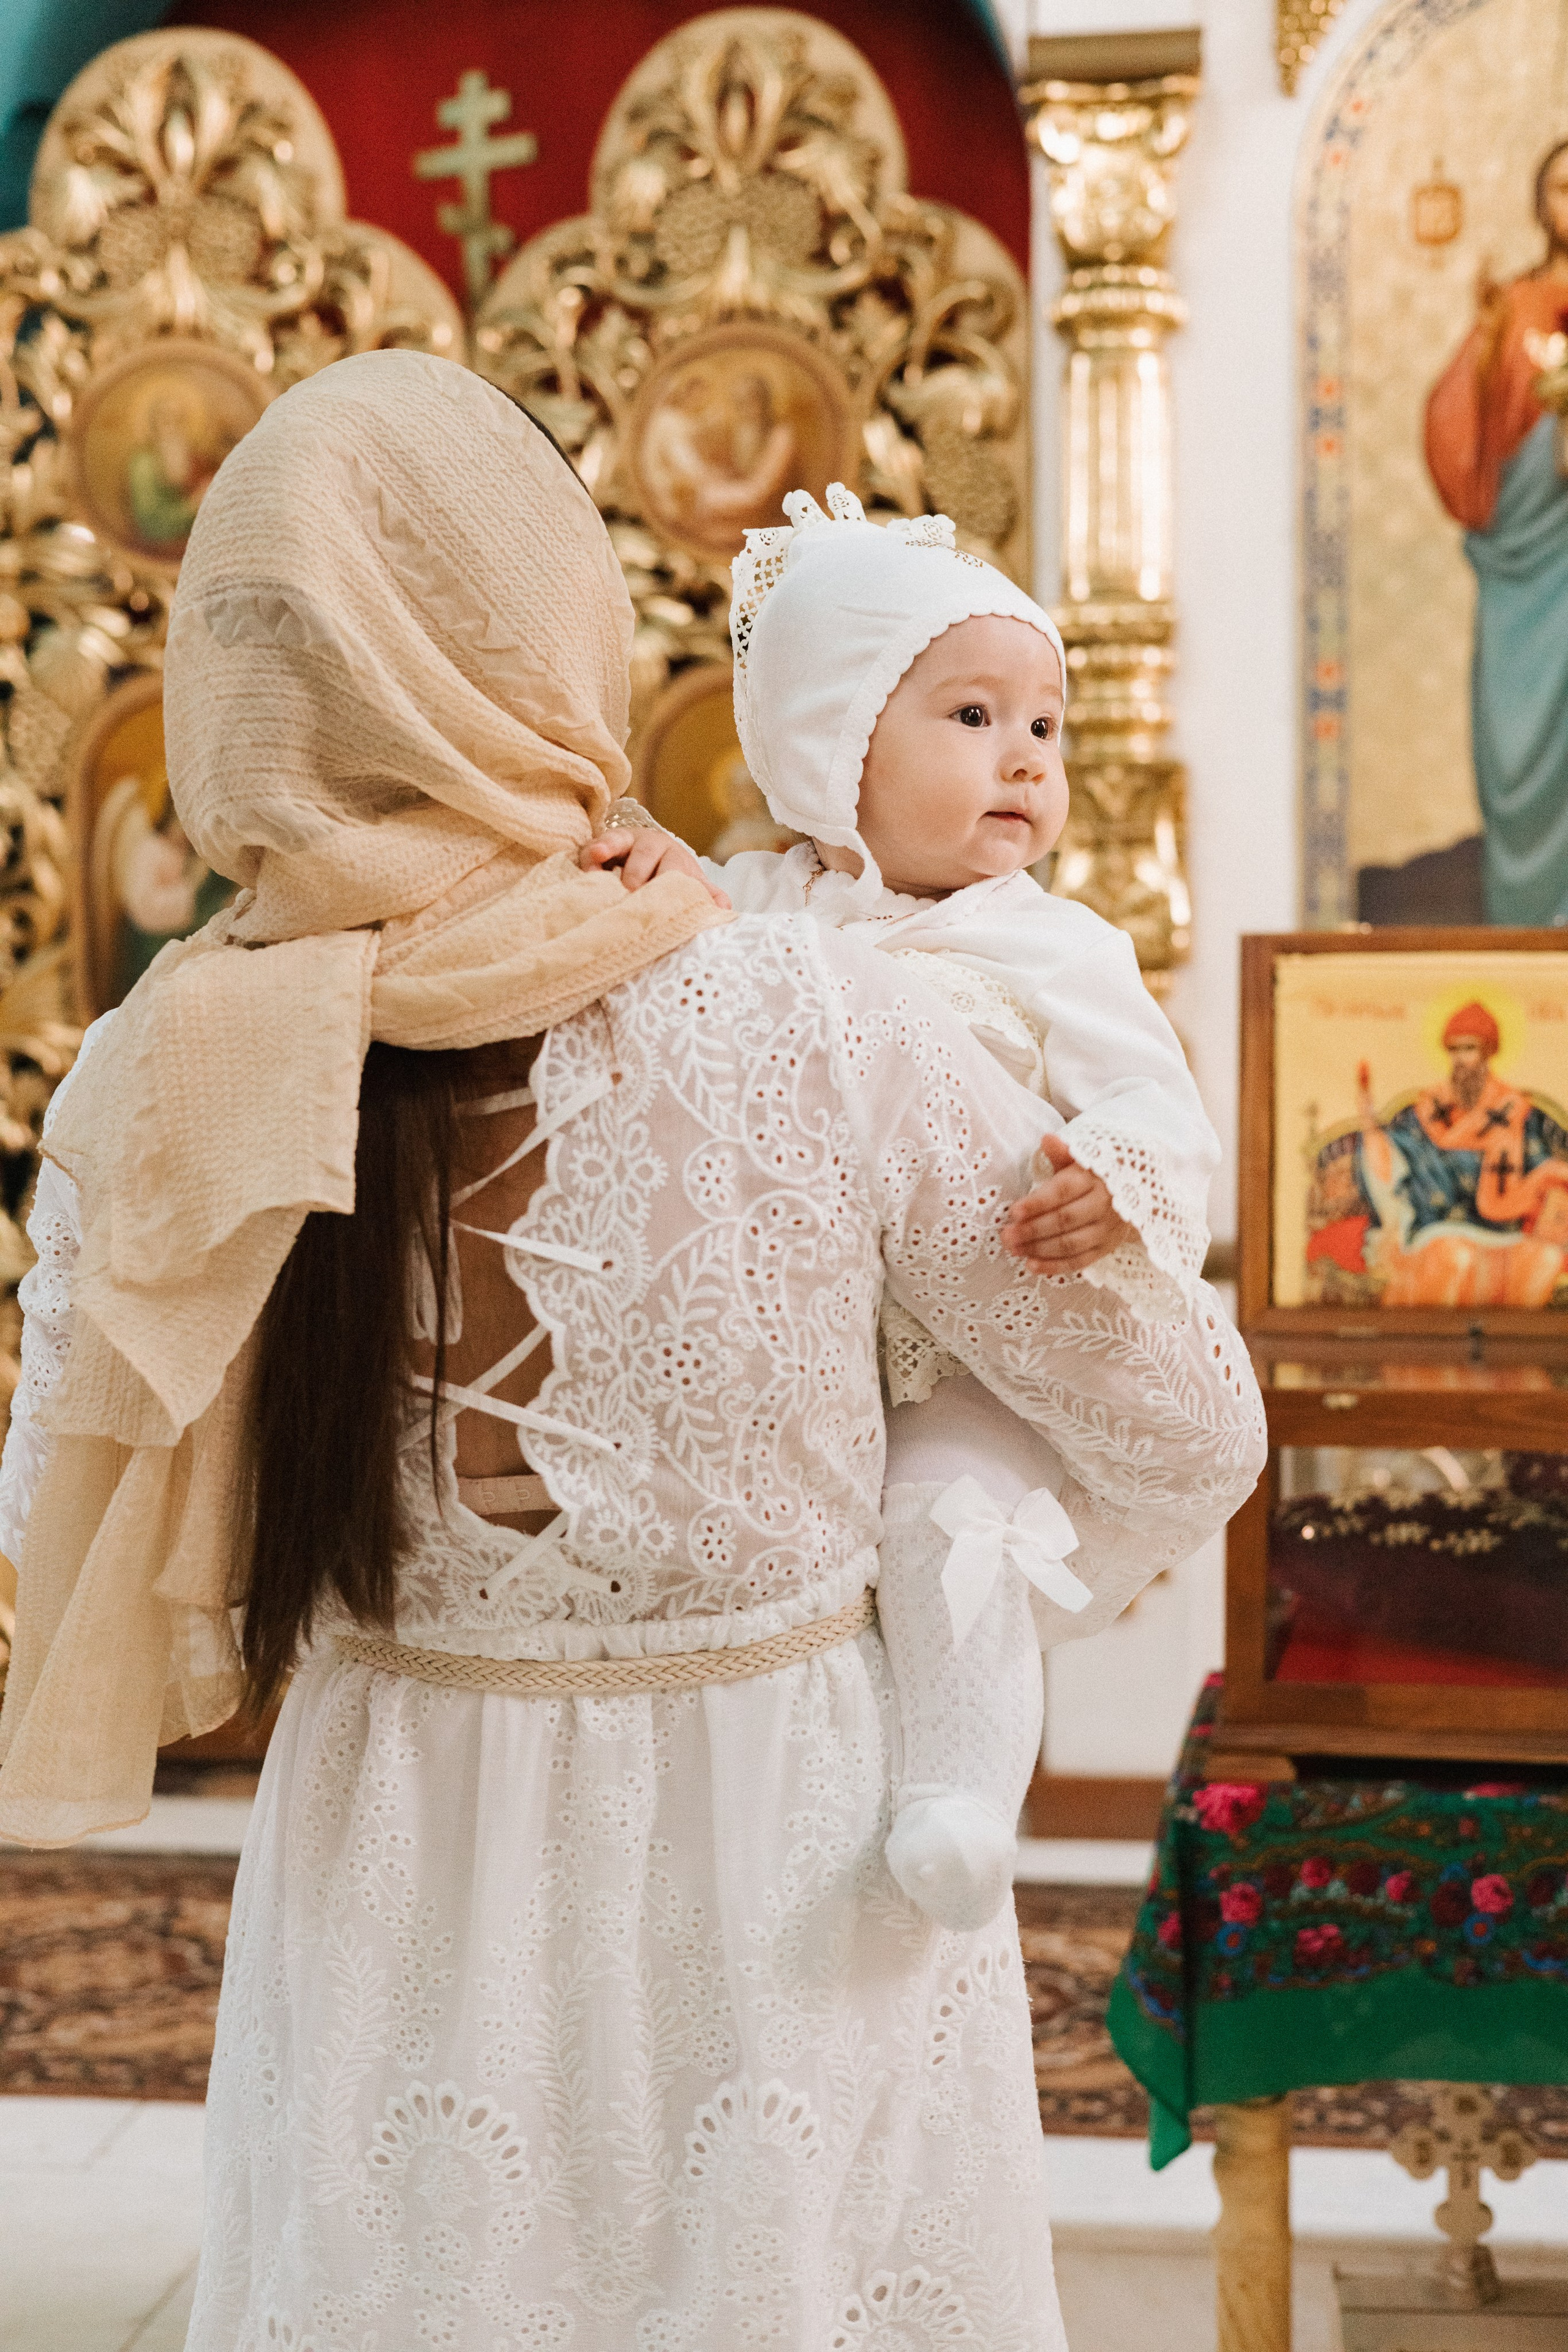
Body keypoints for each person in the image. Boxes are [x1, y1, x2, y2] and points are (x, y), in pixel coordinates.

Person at [0, 356, 1263, 2349]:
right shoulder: (812, 1012)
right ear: (546, 642)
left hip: (395, 1826)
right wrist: (974, 1551)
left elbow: (49, 1500)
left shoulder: (164, 1072)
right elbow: (1192, 1427)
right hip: (787, 1836)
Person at [581, 484, 1219, 1928]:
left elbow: (1159, 1110)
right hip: (784, 1347)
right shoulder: (757, 909)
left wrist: (1108, 1183)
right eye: (974, 717)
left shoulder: (1054, 942)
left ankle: (962, 1792)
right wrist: (660, 876)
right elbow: (688, 960)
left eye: (1043, 727)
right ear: (832, 748)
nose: (1026, 761)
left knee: (951, 1514)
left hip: (969, 1332)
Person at [1426, 140, 1568, 925]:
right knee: (1522, 739)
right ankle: (1531, 917)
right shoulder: (1514, 307)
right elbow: (1455, 421)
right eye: (1560, 188)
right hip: (1532, 550)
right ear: (1538, 204)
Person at [1350, 1001, 1568, 1308]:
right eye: (1454, 1049)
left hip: (1505, 1229)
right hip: (1438, 1226)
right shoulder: (1428, 1111)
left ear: (1488, 1052)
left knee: (1545, 1259)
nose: (1460, 1059)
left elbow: (1542, 1170)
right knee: (1457, 1257)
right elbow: (1394, 1154)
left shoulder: (1516, 1111)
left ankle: (1514, 1354)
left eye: (1469, 1048)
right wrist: (1370, 1125)